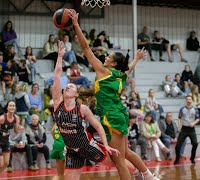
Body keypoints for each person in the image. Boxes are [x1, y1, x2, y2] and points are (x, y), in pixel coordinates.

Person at [69, 9, 159, 180]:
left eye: (109, 56)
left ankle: (148, 177)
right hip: (120, 115)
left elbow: (86, 48)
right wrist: (137, 58)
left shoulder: (104, 71)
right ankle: (148, 176)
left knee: (119, 161)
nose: (105, 57)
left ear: (114, 63)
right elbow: (128, 68)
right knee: (126, 153)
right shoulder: (120, 75)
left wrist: (75, 24)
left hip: (112, 116)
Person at [52, 39, 120, 180]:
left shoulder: (82, 109)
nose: (69, 86)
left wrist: (105, 145)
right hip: (71, 150)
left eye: (72, 87)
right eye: (68, 86)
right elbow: (57, 75)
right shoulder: (58, 104)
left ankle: (141, 173)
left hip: (87, 145)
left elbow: (97, 126)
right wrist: (60, 56)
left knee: (118, 164)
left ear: (76, 94)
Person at [174, 95, 200, 165]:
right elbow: (179, 118)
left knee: (195, 144)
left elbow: (198, 118)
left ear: (192, 100)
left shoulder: (195, 109)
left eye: (190, 99)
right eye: (187, 99)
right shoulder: (182, 109)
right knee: (178, 145)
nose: (188, 100)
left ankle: (192, 158)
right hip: (184, 129)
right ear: (186, 100)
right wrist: (179, 126)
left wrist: (194, 123)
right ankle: (177, 158)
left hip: (191, 129)